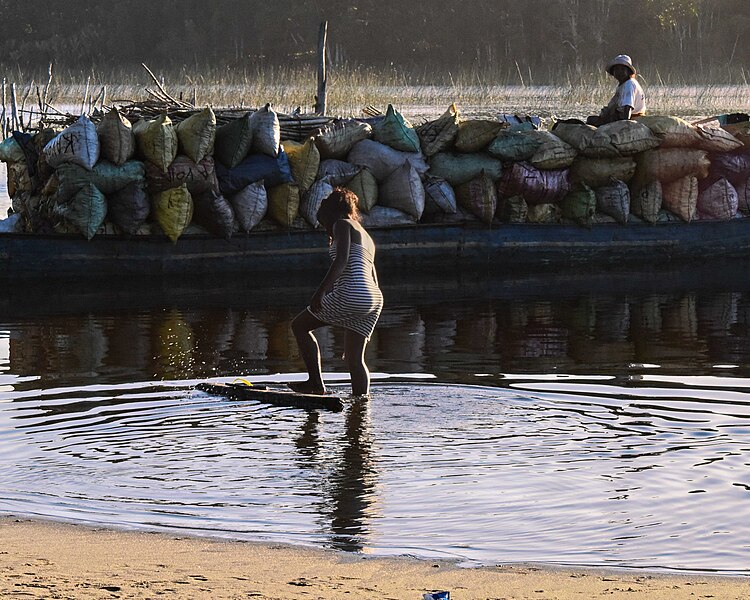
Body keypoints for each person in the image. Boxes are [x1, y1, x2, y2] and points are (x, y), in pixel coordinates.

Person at [289, 188, 383, 397]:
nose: (325, 227)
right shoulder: (365, 234)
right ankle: (361, 405)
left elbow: (341, 261)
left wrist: (320, 293)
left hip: (353, 292)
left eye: (323, 218)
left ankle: (315, 383)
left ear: (332, 212)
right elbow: (372, 273)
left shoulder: (341, 224)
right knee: (354, 358)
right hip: (374, 298)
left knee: (299, 326)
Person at [587, 54, 646, 126]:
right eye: (617, 69)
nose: (619, 72)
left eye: (622, 69)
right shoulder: (624, 84)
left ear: (628, 72)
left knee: (592, 121)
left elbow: (627, 108)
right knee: (591, 119)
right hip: (620, 117)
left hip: (631, 118)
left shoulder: (629, 85)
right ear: (613, 72)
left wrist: (623, 125)